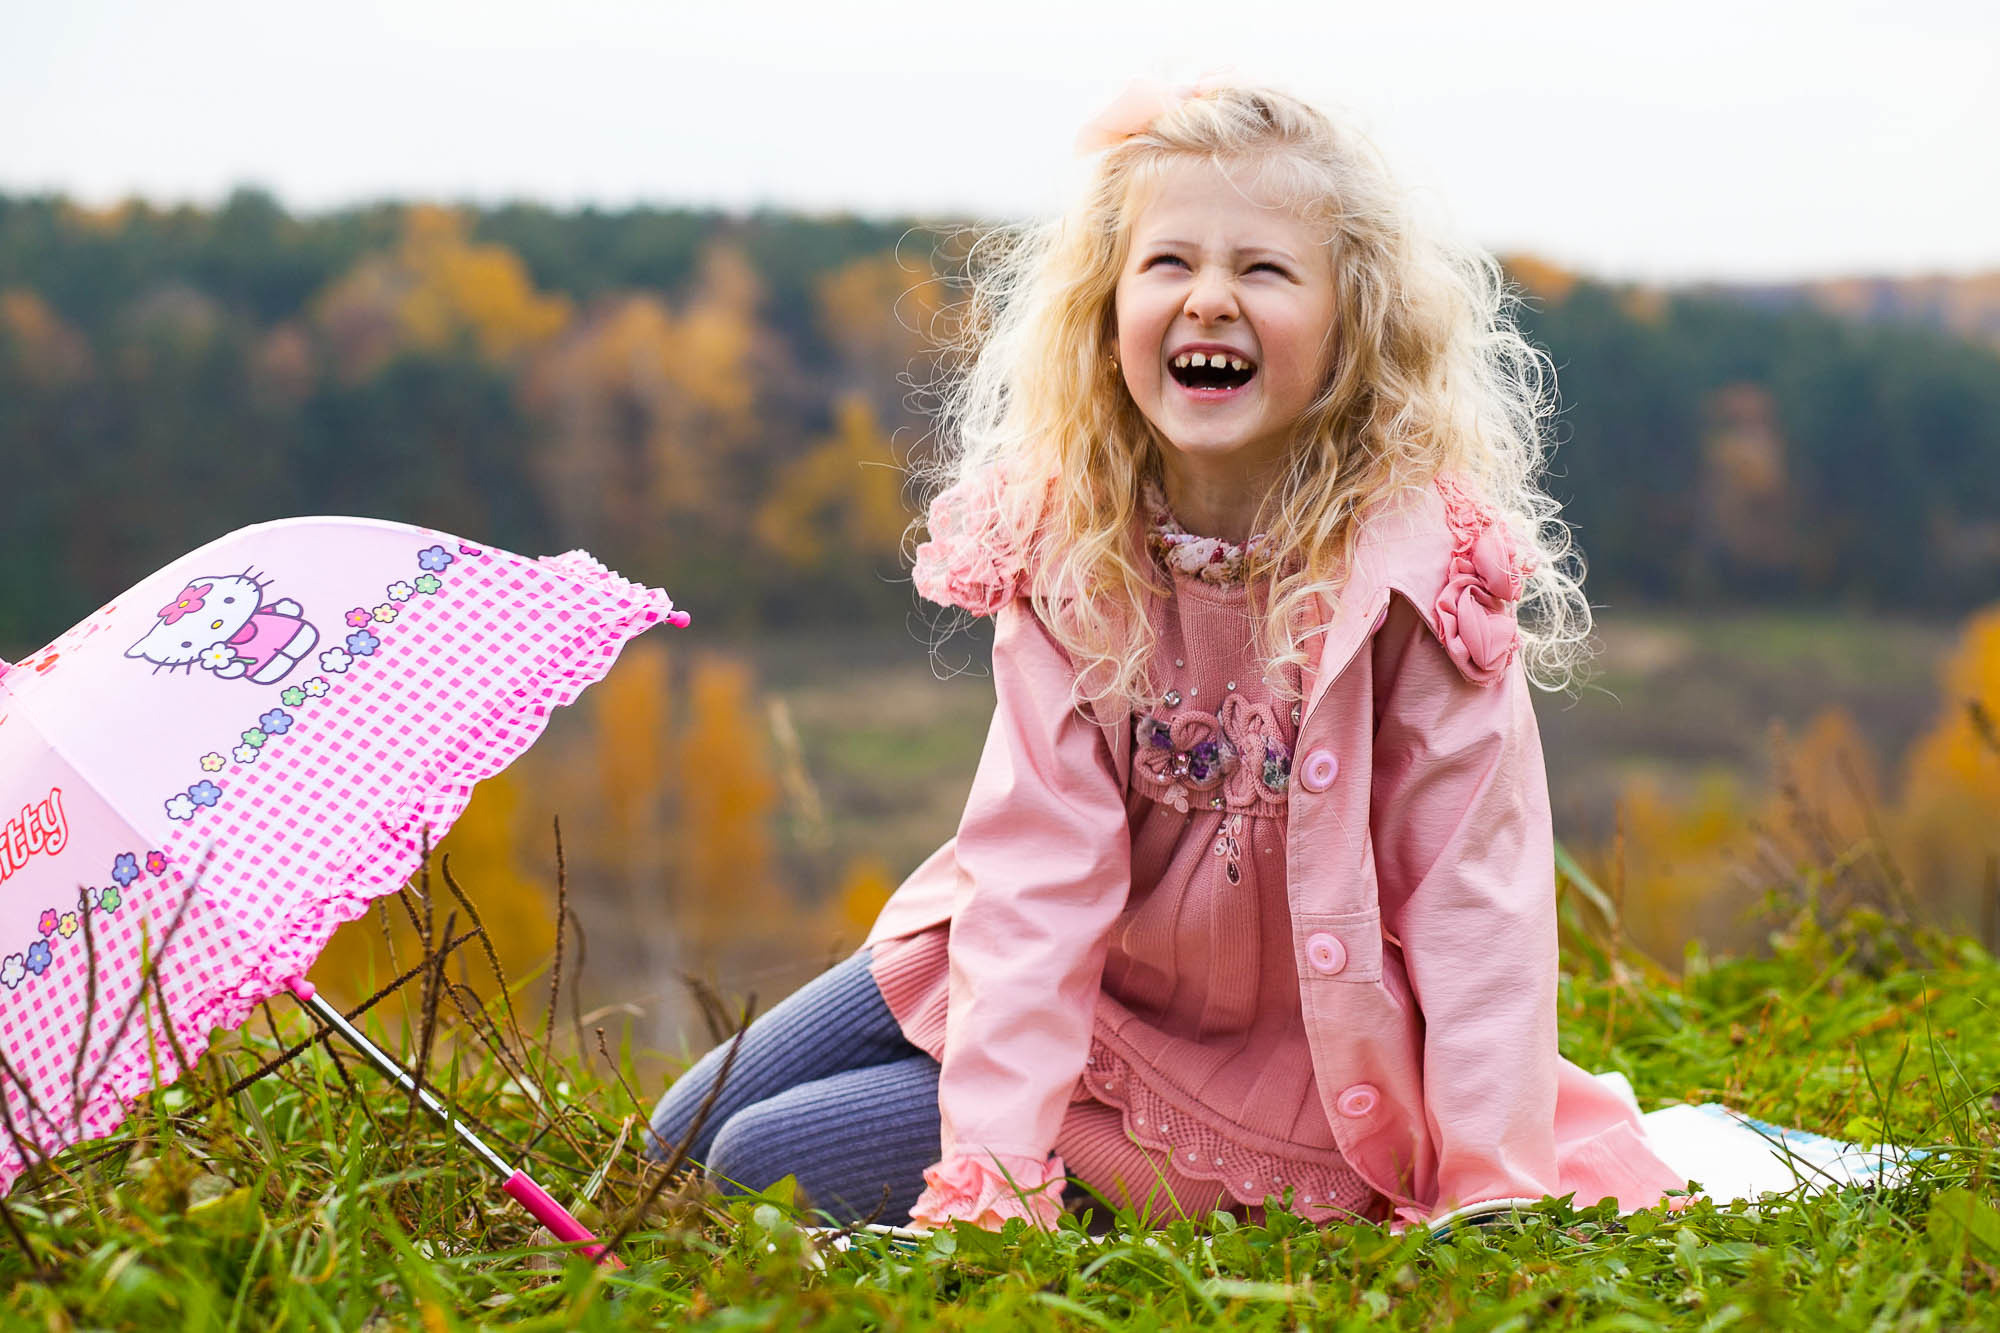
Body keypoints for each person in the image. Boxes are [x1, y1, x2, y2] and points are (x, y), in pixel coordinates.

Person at [647, 79, 1691, 1232]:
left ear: (1353, 322)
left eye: (1263, 269)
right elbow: (1037, 874)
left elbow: (1474, 902)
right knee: (675, 1134)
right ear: (1105, 309)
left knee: (756, 1158)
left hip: (1251, 1065)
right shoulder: (1072, 540)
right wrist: (991, 1159)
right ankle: (1001, 1113)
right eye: (1167, 263)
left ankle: (1135, 1175)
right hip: (1049, 963)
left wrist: (1488, 1179)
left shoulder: (1412, 573)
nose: (1208, 299)